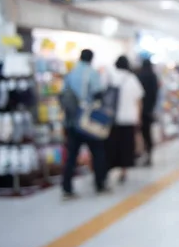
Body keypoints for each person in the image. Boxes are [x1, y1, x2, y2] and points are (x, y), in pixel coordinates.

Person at [61, 49, 109, 199]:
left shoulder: (71, 73)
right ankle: (99, 184)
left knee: (72, 155)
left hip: (72, 121)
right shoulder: (93, 74)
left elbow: (63, 95)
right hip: (88, 121)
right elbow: (98, 94)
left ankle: (67, 188)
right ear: (91, 59)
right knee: (98, 152)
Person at [105, 56, 144, 184]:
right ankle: (123, 171)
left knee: (110, 146)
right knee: (126, 147)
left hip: (111, 119)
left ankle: (107, 170)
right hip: (128, 119)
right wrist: (138, 118)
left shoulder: (109, 76)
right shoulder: (132, 78)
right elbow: (138, 100)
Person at [137, 59, 159, 166]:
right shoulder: (153, 76)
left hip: (139, 110)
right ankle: (149, 154)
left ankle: (143, 153)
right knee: (148, 133)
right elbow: (155, 94)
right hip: (149, 110)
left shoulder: (140, 76)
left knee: (142, 133)